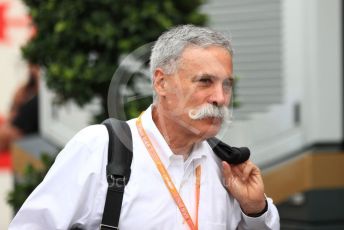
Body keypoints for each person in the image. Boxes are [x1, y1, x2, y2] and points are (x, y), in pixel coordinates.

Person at [9, 25, 280, 229]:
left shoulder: (225, 167)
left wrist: (255, 209)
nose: (220, 98)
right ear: (161, 83)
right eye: (205, 81)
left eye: (227, 84)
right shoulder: (99, 148)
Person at [0, 63, 39, 152]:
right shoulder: (24, 90)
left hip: (25, 131)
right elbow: (12, 114)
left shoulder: (35, 92)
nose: (32, 69)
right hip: (20, 129)